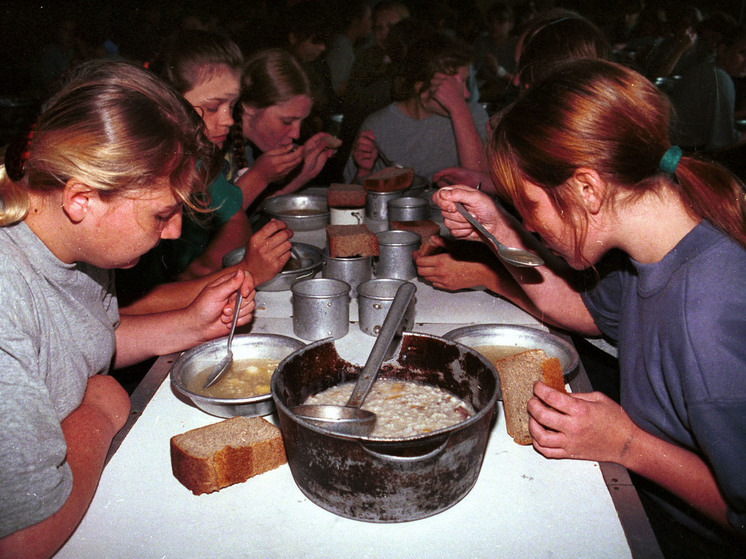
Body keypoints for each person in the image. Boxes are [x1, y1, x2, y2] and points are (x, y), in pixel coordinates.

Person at [434, 58, 746, 557]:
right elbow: (583, 311)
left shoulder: (707, 322)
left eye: (531, 206)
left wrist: (627, 444)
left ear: (586, 188)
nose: (532, 226)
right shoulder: (656, 251)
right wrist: (503, 233)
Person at [0, 59, 256, 558]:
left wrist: (189, 323)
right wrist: (98, 410)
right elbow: (19, 541)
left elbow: (70, 345)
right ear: (82, 199)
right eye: (162, 212)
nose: (176, 231)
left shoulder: (74, 239)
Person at [344, 30, 489, 183]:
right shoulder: (378, 125)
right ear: (422, 89)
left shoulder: (473, 115)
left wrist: (459, 108)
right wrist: (364, 170)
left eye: (466, 81)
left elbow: (481, 184)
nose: (466, 94)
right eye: (455, 86)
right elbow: (353, 196)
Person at [230, 48, 340, 212]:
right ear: (249, 107)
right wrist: (259, 177)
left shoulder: (247, 149)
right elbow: (213, 226)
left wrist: (301, 176)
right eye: (287, 121)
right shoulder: (215, 147)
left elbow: (249, 212)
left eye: (301, 122)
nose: (296, 134)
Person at [670, 24, 746, 152]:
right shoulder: (719, 79)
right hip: (681, 154)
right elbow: (722, 142)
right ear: (722, 50)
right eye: (743, 53)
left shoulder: (708, 69)